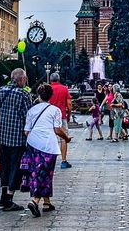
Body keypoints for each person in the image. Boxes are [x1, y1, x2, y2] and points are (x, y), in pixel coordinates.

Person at [21, 83, 73, 217]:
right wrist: (66, 138)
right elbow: (57, 130)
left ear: (38, 95)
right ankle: (35, 201)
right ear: (51, 96)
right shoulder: (55, 110)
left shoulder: (31, 110)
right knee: (45, 173)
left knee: (37, 172)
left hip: (32, 144)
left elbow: (26, 131)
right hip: (48, 145)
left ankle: (47, 202)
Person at [0, 69, 32, 212]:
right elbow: (28, 116)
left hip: (2, 136)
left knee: (4, 166)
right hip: (17, 138)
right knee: (16, 167)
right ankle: (9, 199)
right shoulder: (23, 94)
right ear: (21, 79)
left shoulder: (1, 91)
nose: (25, 81)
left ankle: (3, 197)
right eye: (25, 79)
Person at [48, 74, 73, 169]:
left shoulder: (48, 88)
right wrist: (69, 115)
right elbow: (69, 104)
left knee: (50, 138)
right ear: (59, 79)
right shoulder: (64, 88)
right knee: (63, 138)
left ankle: (49, 160)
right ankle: (63, 161)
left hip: (49, 117)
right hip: (61, 116)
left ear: (50, 79)